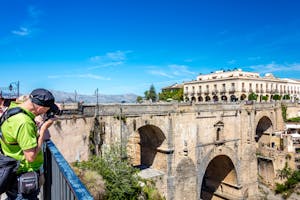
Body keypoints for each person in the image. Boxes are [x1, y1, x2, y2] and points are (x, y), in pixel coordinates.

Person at [0, 88, 57, 199]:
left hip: (12, 170)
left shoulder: (13, 109)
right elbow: (31, 157)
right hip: (23, 175)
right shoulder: (24, 122)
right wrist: (43, 129)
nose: (46, 113)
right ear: (40, 108)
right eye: (46, 110)